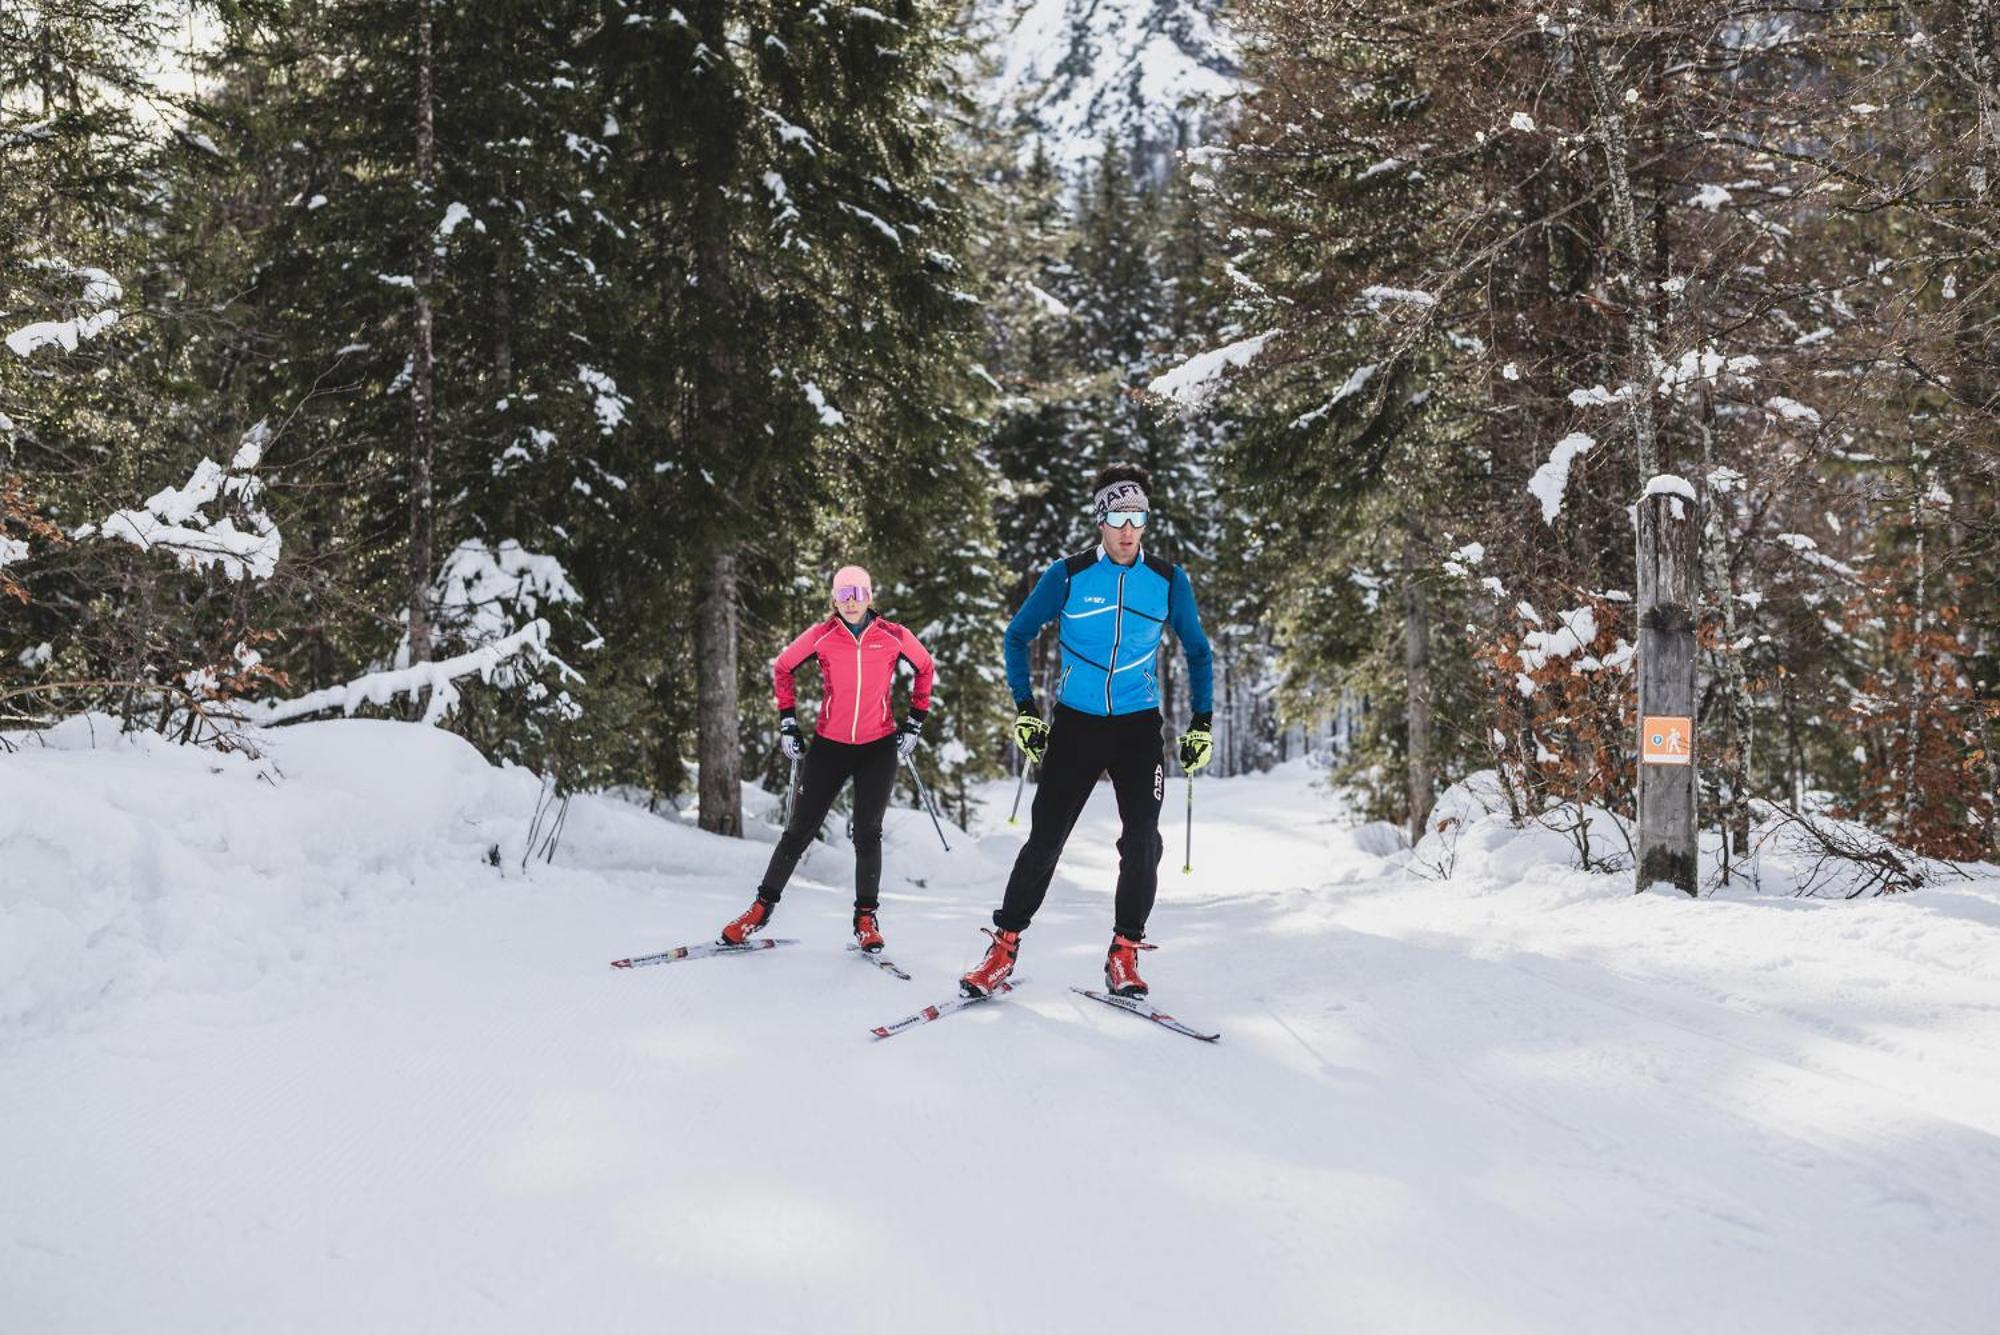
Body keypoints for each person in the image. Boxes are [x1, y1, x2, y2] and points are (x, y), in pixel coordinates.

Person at [959, 463, 1214, 999]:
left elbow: (1197, 650)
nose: (1128, 529)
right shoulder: (1069, 575)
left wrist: (1202, 722)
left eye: (1138, 517)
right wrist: (1026, 709)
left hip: (1138, 727)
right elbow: (1017, 636)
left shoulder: (1167, 580)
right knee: (1046, 839)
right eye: (1118, 517)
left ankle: (1124, 951)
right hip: (1076, 724)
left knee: (1143, 839)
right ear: (1101, 519)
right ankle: (1003, 948)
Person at [718, 565, 935, 953]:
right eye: (843, 595)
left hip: (878, 747)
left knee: (867, 833)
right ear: (834, 599)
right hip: (830, 746)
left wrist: (915, 721)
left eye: (858, 594)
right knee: (798, 832)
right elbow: (783, 666)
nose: (851, 602)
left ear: (870, 596)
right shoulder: (822, 635)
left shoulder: (893, 635)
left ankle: (865, 920)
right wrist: (788, 722)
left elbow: (925, 667)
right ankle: (759, 910)